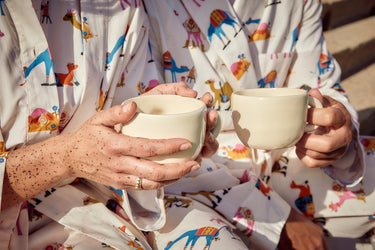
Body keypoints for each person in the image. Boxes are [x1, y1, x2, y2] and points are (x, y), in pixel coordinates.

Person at [133, 0, 373, 249]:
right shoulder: (140, 6)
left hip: (289, 157)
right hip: (188, 184)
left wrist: (339, 129)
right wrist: (272, 214)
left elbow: (318, 83)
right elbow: (149, 140)